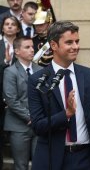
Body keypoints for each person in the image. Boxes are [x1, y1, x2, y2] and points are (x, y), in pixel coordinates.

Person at [28, 21, 90, 170]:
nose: (76, 46)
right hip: (52, 158)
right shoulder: (38, 80)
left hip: (87, 158)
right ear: (54, 45)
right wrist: (66, 114)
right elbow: (38, 126)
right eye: (69, 42)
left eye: (77, 41)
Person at [3, 36, 41, 170]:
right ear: (17, 51)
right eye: (27, 47)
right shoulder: (10, 72)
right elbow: (11, 99)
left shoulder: (40, 70)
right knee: (21, 165)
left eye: (32, 47)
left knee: (40, 164)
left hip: (39, 125)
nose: (32, 50)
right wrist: (29, 117)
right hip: (18, 126)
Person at [0, 15, 22, 169]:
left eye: (12, 24)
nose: (9, 26)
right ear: (2, 28)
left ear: (18, 28)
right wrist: (6, 63)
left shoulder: (24, 45)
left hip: (19, 96)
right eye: (6, 24)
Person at [32, 0, 54, 67]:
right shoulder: (31, 41)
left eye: (41, 24)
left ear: (48, 23)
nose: (38, 27)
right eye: (36, 24)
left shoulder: (55, 39)